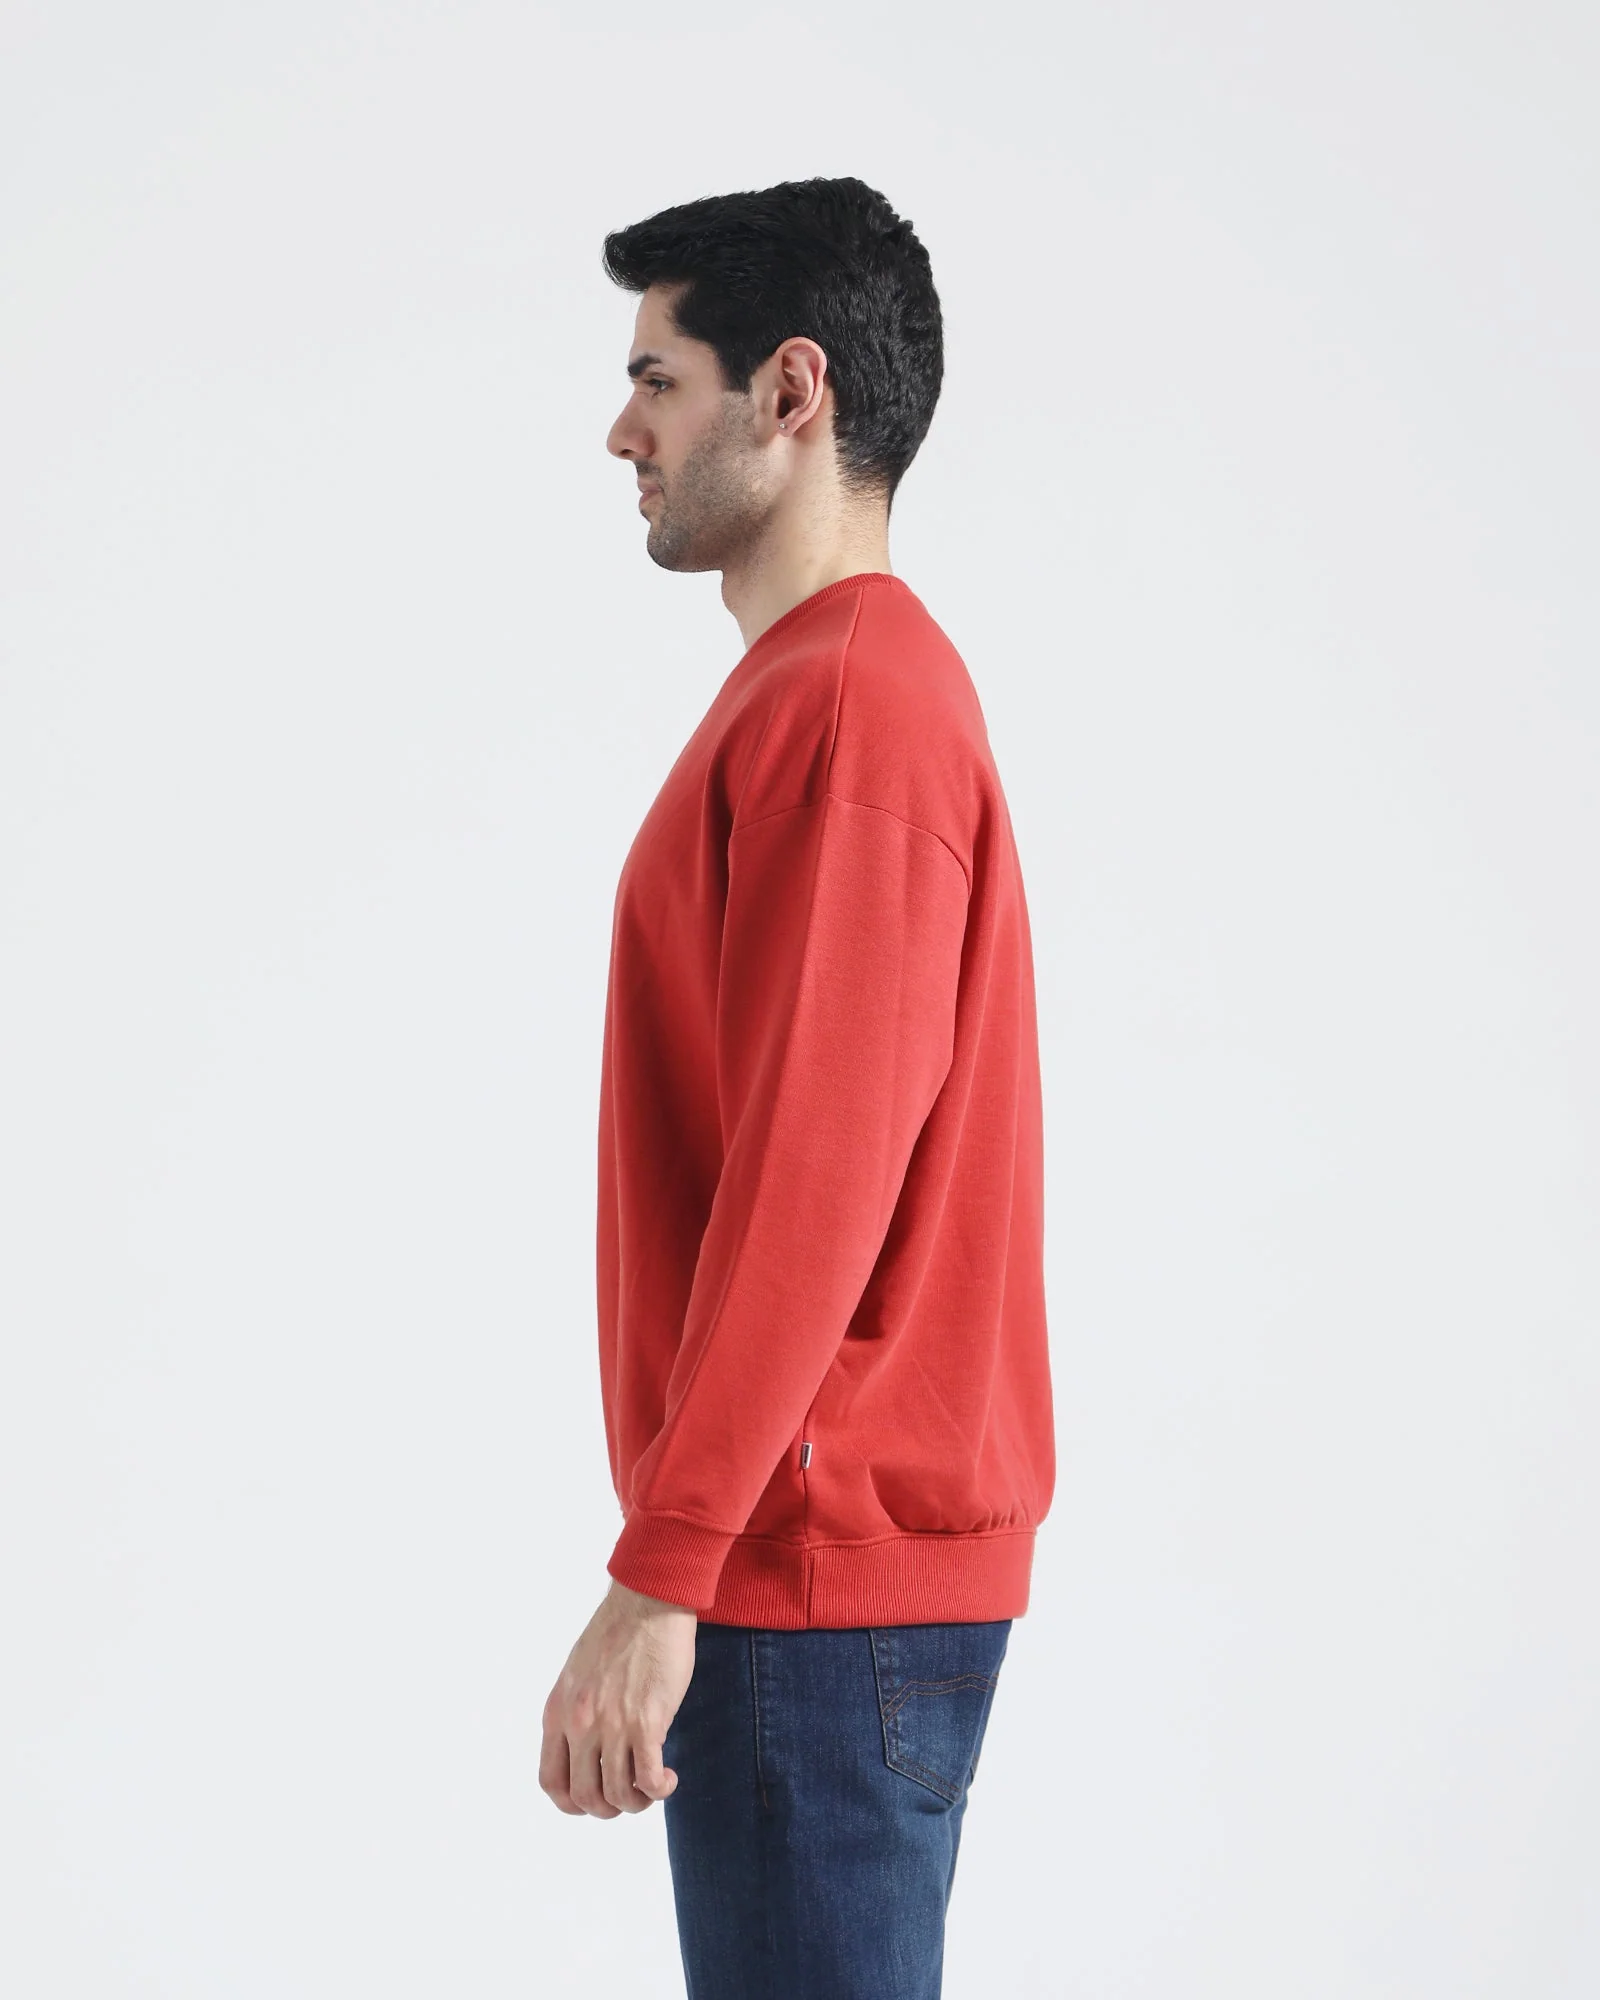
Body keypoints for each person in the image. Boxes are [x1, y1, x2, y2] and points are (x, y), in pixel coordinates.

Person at [538, 175, 1056, 1999]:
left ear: (791, 391)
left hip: (808, 1575)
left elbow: (815, 1181)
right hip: (818, 1568)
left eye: (657, 380)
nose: (623, 431)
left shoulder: (851, 706)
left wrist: (665, 1568)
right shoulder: (831, 692)